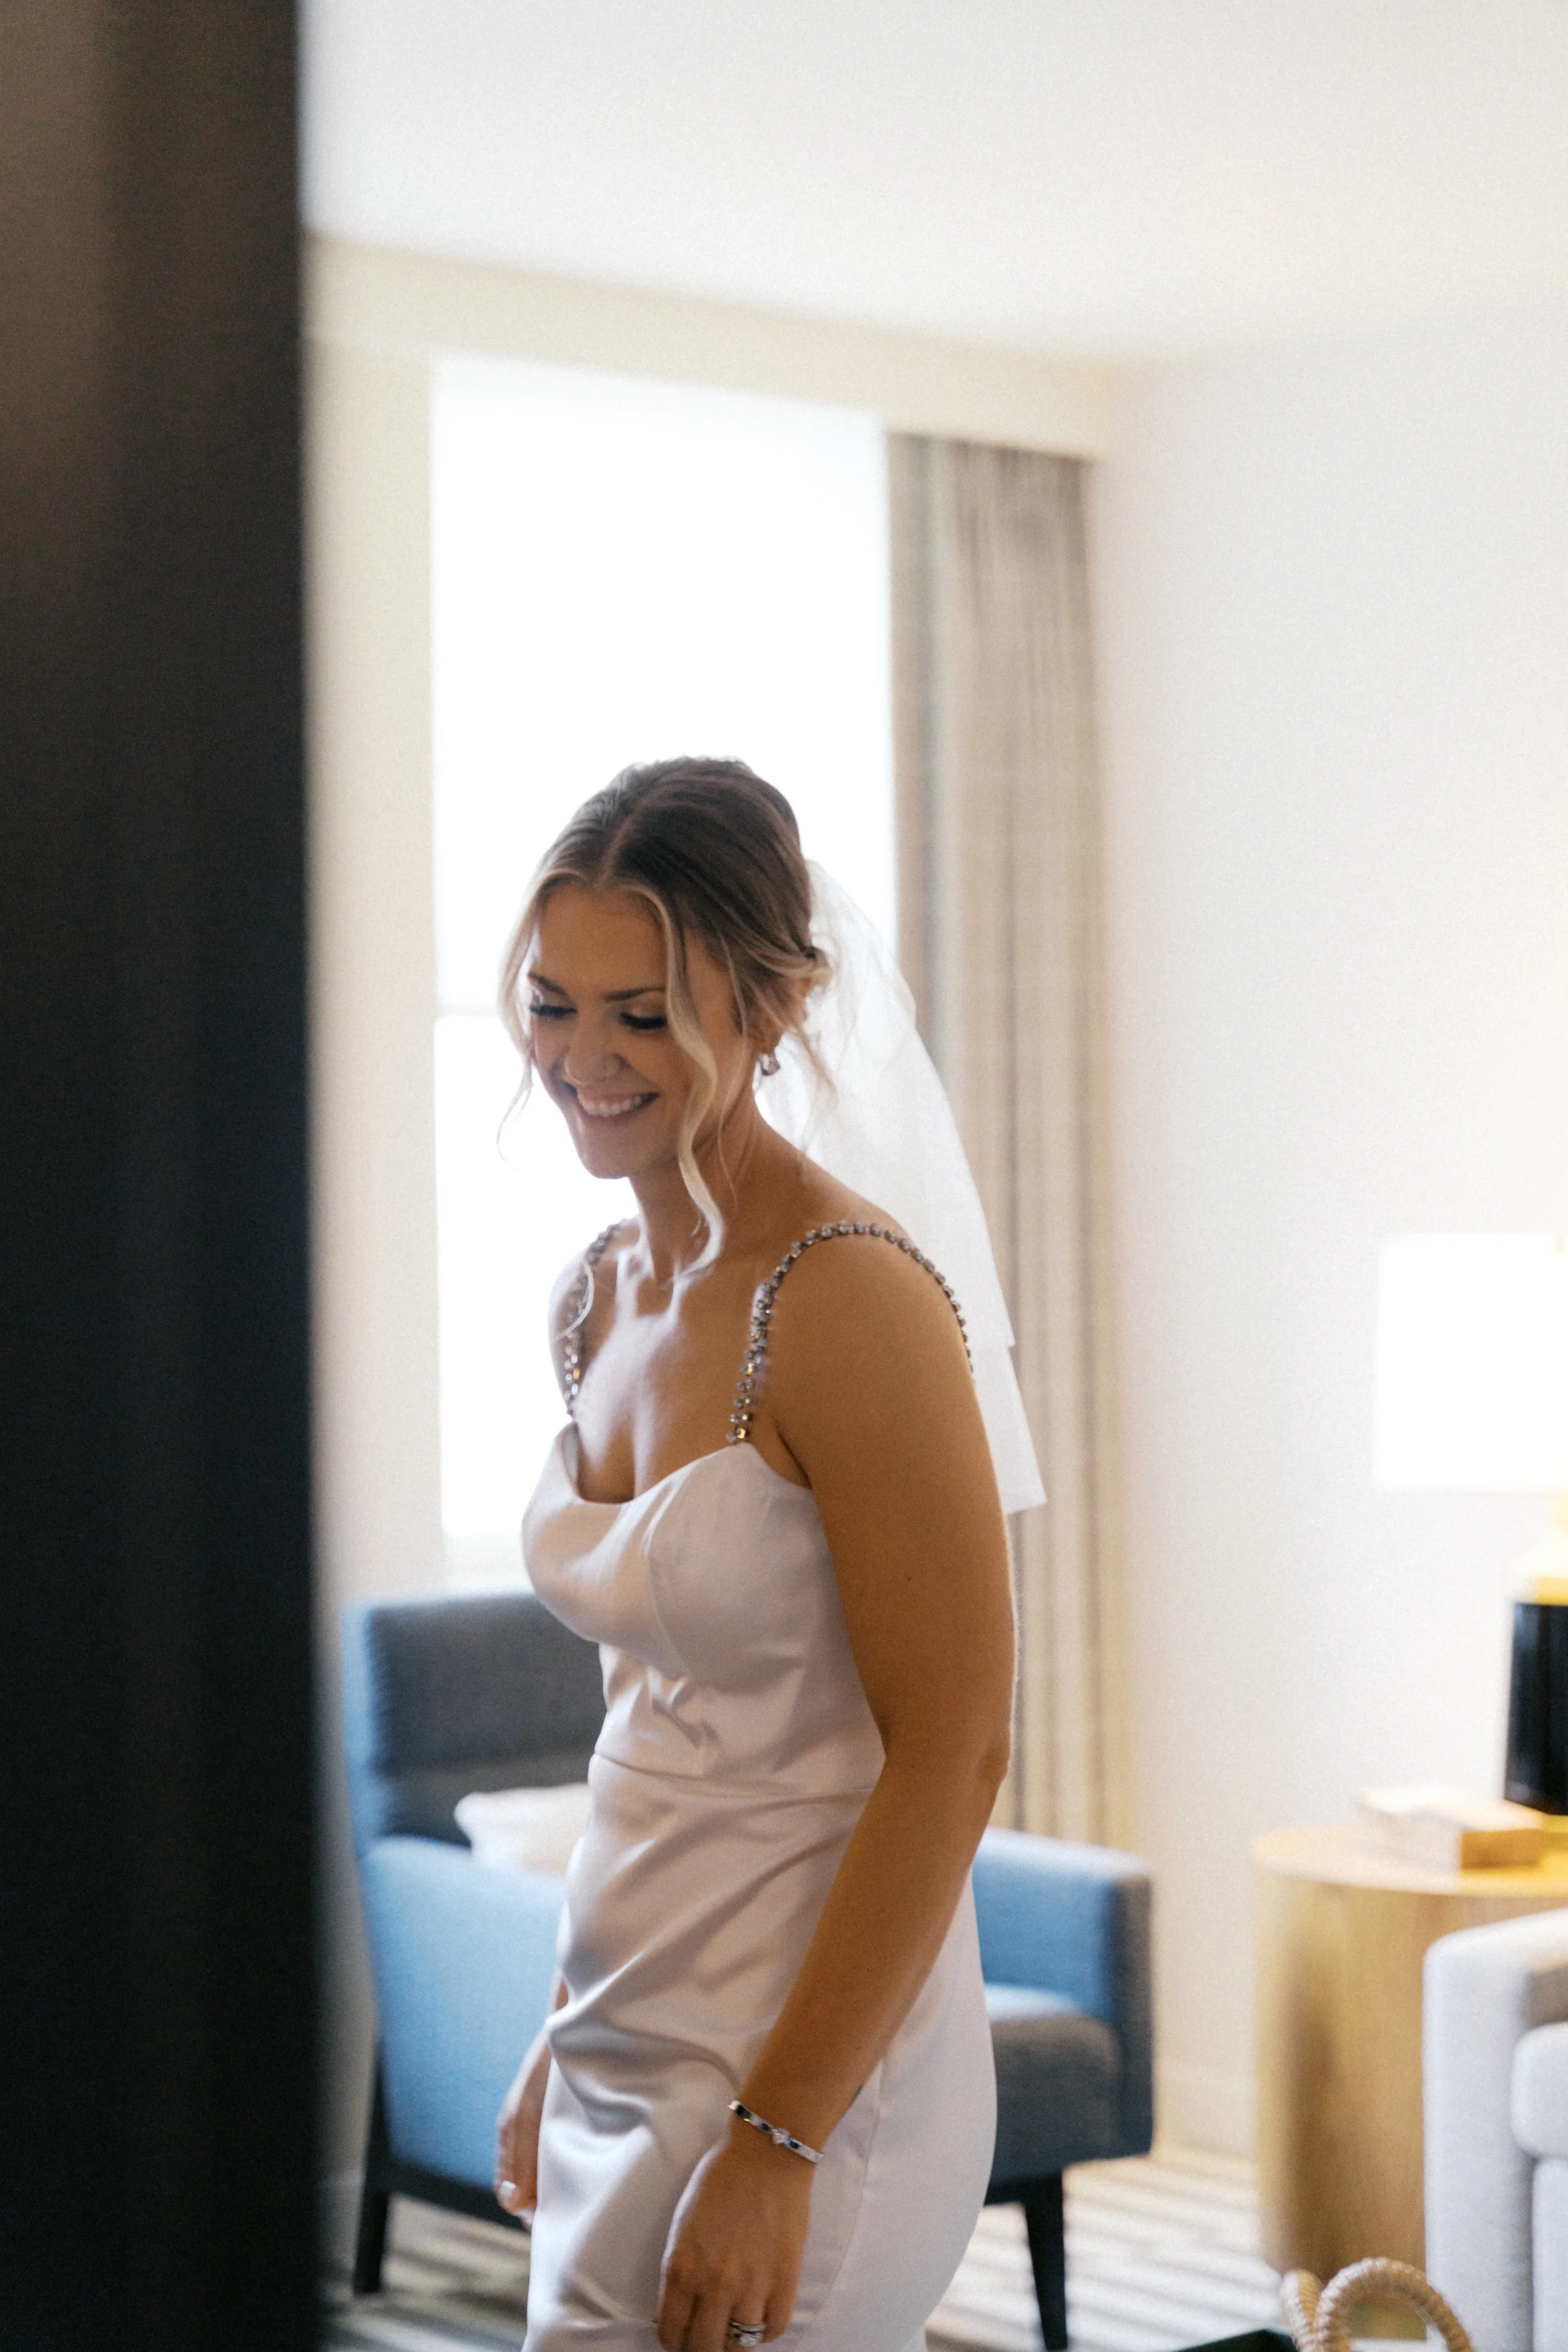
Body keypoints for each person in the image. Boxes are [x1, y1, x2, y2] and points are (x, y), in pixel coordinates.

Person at [492, 757, 1020, 2352]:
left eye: (645, 1013)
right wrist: (562, 2030)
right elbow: (653, 1719)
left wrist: (778, 2136)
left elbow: (957, 1745)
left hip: (813, 2066)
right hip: (623, 2017)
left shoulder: (848, 1298)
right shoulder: (591, 1297)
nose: (585, 1058)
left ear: (774, 1009)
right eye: (553, 1002)